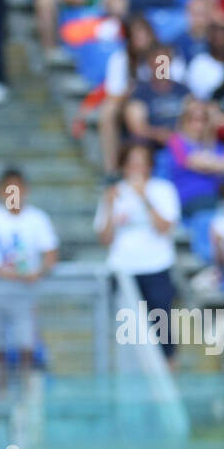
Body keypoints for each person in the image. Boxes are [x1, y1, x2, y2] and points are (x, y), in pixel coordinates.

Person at [0, 168, 59, 375]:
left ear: (25, 190)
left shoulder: (37, 218)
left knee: (26, 346)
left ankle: (25, 397)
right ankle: (0, 394)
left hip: (25, 291)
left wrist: (38, 272)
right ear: (1, 191)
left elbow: (51, 254)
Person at [94, 143, 182, 361]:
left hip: (156, 267)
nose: (136, 168)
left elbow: (165, 228)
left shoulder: (162, 190)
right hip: (123, 269)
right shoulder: (114, 193)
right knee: (127, 334)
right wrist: (108, 206)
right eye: (132, 163)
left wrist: (144, 198)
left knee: (164, 337)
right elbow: (104, 238)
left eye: (141, 163)